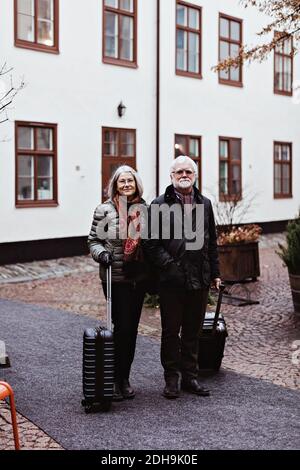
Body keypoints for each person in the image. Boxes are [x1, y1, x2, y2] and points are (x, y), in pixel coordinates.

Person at [144, 155, 221, 399]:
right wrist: (170, 267)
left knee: (192, 331)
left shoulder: (205, 204)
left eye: (188, 171)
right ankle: (172, 378)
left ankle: (190, 376)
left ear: (195, 175)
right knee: (170, 331)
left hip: (199, 278)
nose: (184, 175)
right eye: (179, 172)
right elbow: (151, 244)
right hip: (171, 281)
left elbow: (211, 242)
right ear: (172, 176)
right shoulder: (158, 205)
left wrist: (215, 273)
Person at [88, 165, 148, 401]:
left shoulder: (144, 209)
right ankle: (112, 378)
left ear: (136, 185)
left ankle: (124, 378)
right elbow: (93, 240)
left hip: (138, 278)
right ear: (115, 184)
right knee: (120, 328)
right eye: (121, 181)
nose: (126, 185)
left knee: (131, 330)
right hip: (116, 279)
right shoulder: (104, 210)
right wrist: (102, 254)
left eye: (130, 182)